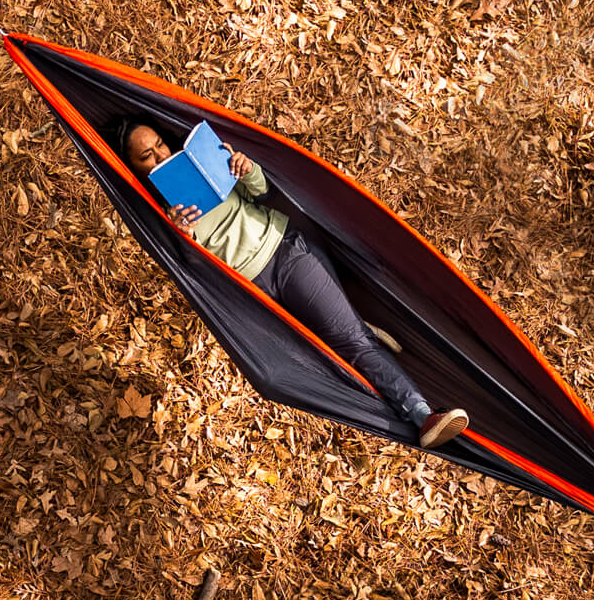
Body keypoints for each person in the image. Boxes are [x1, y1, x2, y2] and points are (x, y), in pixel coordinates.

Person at [113, 119, 470, 447]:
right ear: (133, 167)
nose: (161, 154)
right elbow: (196, 275)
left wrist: (247, 168)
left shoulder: (199, 164)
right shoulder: (157, 214)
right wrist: (185, 236)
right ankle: (359, 329)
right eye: (147, 155)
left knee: (351, 344)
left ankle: (423, 416)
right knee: (288, 370)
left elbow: (262, 192)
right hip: (252, 293)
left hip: (286, 254)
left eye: (161, 144)